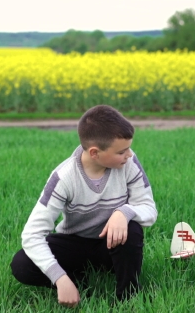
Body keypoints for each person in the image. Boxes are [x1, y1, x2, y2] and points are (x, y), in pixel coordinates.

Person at [10, 104, 157, 308]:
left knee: (132, 228)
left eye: (129, 148)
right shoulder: (64, 177)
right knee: (22, 264)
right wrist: (59, 278)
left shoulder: (129, 163)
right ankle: (76, 283)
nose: (130, 154)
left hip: (111, 244)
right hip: (74, 243)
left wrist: (123, 212)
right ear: (95, 153)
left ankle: (129, 295)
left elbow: (149, 208)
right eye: (122, 151)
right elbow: (31, 235)